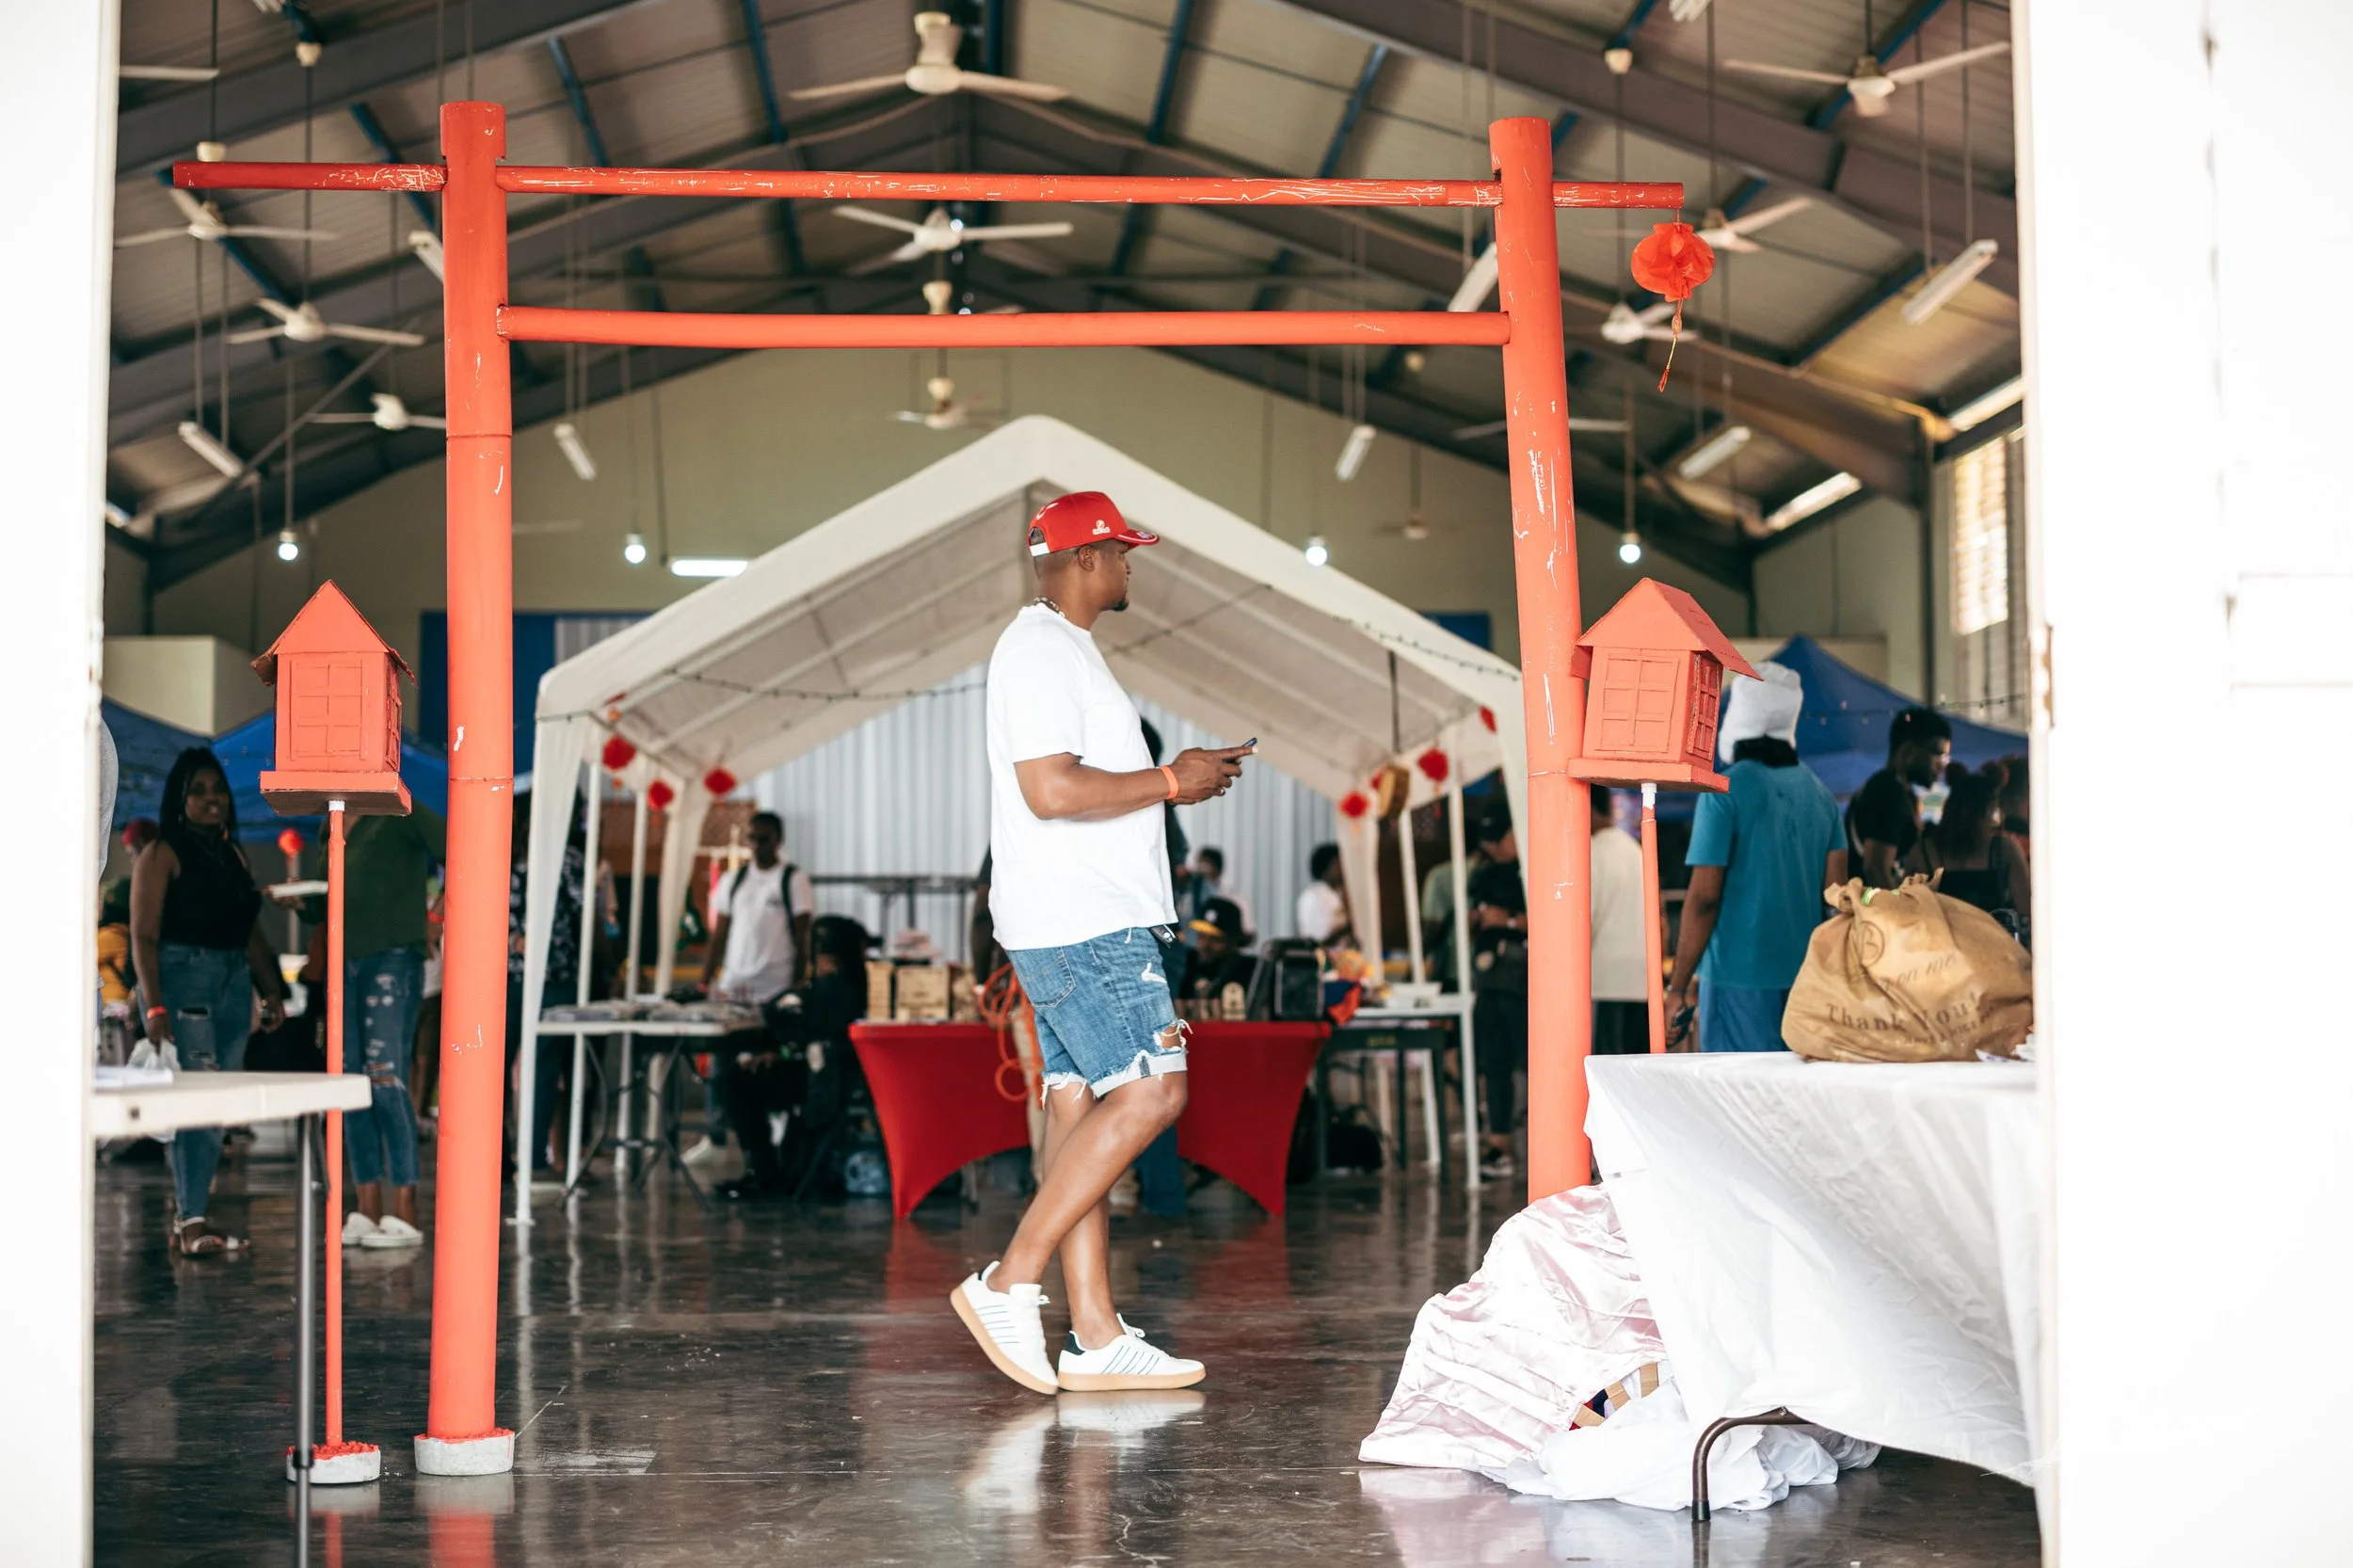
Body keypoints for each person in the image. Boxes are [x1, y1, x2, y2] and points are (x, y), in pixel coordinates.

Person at [952, 489, 1248, 1396]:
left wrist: (1175, 782)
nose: (1129, 567)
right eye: (1121, 553)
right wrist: (1171, 778)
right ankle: (1010, 1281)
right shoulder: (1041, 648)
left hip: (1072, 918)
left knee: (1079, 1105)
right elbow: (1051, 790)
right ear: (1084, 559)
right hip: (1085, 923)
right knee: (1156, 1092)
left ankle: (1095, 1331)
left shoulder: (1058, 650)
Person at [128, 747, 290, 1256]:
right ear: (180, 798)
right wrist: (154, 1008)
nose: (211, 799)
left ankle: (193, 1217)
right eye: (198, 791)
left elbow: (251, 933)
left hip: (233, 985)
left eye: (216, 789)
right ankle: (192, 1221)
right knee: (198, 1100)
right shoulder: (162, 854)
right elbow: (143, 937)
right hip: (185, 981)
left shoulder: (234, 854)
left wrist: (271, 990)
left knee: (217, 1104)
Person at [279, 808, 445, 1249]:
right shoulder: (328, 821)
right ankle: (368, 1207)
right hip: (341, 960)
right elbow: (324, 903)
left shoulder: (397, 808)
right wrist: (299, 900)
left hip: (393, 957)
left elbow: (464, 854)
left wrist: (436, 918)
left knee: (385, 1073)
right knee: (350, 1081)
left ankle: (405, 1208)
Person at [1668, 664, 1847, 1052]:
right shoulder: (1822, 797)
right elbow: (1838, 898)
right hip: (1806, 982)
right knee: (1793, 1102)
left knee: (1737, 1104)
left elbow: (1703, 899)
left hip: (1737, 980)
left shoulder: (1723, 792)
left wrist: (1677, 986)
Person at [715, 915, 871, 1200]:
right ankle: (766, 1172)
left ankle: (763, 1173)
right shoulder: (855, 985)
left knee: (732, 1083)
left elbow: (789, 1014)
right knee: (740, 1080)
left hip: (821, 1085)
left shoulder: (834, 989)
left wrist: (778, 1044)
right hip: (826, 1078)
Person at [696, 810, 816, 1169]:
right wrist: (705, 980)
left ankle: (772, 1132)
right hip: (734, 990)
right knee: (722, 1068)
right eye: (752, 839)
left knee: (767, 1065)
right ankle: (715, 1135)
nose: (756, 846)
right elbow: (720, 935)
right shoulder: (733, 881)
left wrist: (797, 987)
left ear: (778, 841)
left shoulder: (793, 881)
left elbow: (802, 935)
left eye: (763, 839)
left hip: (774, 991)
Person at [506, 792, 590, 1184]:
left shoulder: (499, 856)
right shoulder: (567, 860)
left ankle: (504, 1157)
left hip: (508, 977)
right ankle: (535, 1158)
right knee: (543, 1069)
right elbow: (585, 913)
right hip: (554, 977)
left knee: (500, 1071)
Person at [1465, 808, 1526, 1177]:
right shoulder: (1482, 875)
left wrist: (1508, 921)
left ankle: (1549, 1144)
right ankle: (1499, 1143)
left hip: (1523, 980)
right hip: (1489, 980)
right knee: (1495, 1062)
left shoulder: (1534, 870)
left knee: (1530, 1064)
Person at [1847, 707, 1953, 889]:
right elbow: (1875, 868)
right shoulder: (1888, 793)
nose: (1942, 766)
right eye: (1938, 755)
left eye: (1945, 758)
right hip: (1876, 911)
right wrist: (1900, 915)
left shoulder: (1893, 789)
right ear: (1908, 751)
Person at [1919, 764, 2030, 927]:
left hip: (1941, 947)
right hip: (1994, 946)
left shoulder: (1925, 851)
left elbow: (1909, 909)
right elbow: (2026, 909)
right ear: (1988, 809)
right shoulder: (2003, 849)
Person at [1587, 787, 1650, 1055]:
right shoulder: (1634, 849)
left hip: (1605, 980)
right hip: (1640, 979)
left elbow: (1585, 918)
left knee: (1606, 1070)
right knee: (1633, 1075)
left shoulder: (1592, 851)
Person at [1180, 897, 1257, 1016]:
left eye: (1215, 939)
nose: (1205, 945)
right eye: (1202, 936)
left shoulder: (1249, 972)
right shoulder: (1187, 965)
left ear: (1233, 941)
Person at [1295, 842, 1351, 944]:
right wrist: (1350, 926)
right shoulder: (1313, 897)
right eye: (1338, 862)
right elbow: (1319, 938)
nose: (1343, 866)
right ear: (1326, 867)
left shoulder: (1340, 892)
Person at [1193, 846, 1252, 936]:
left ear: (1217, 868)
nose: (1200, 869)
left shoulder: (1234, 897)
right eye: (1198, 863)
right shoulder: (1189, 893)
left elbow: (1249, 932)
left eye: (1205, 864)